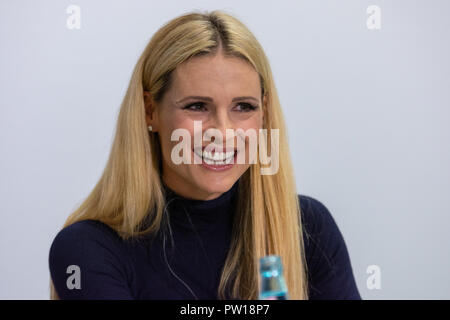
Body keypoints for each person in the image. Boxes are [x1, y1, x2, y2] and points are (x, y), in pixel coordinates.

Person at [48, 10, 361, 300]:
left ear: (264, 113)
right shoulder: (87, 249)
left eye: (244, 107)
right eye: (197, 106)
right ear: (150, 110)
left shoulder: (307, 228)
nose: (223, 132)